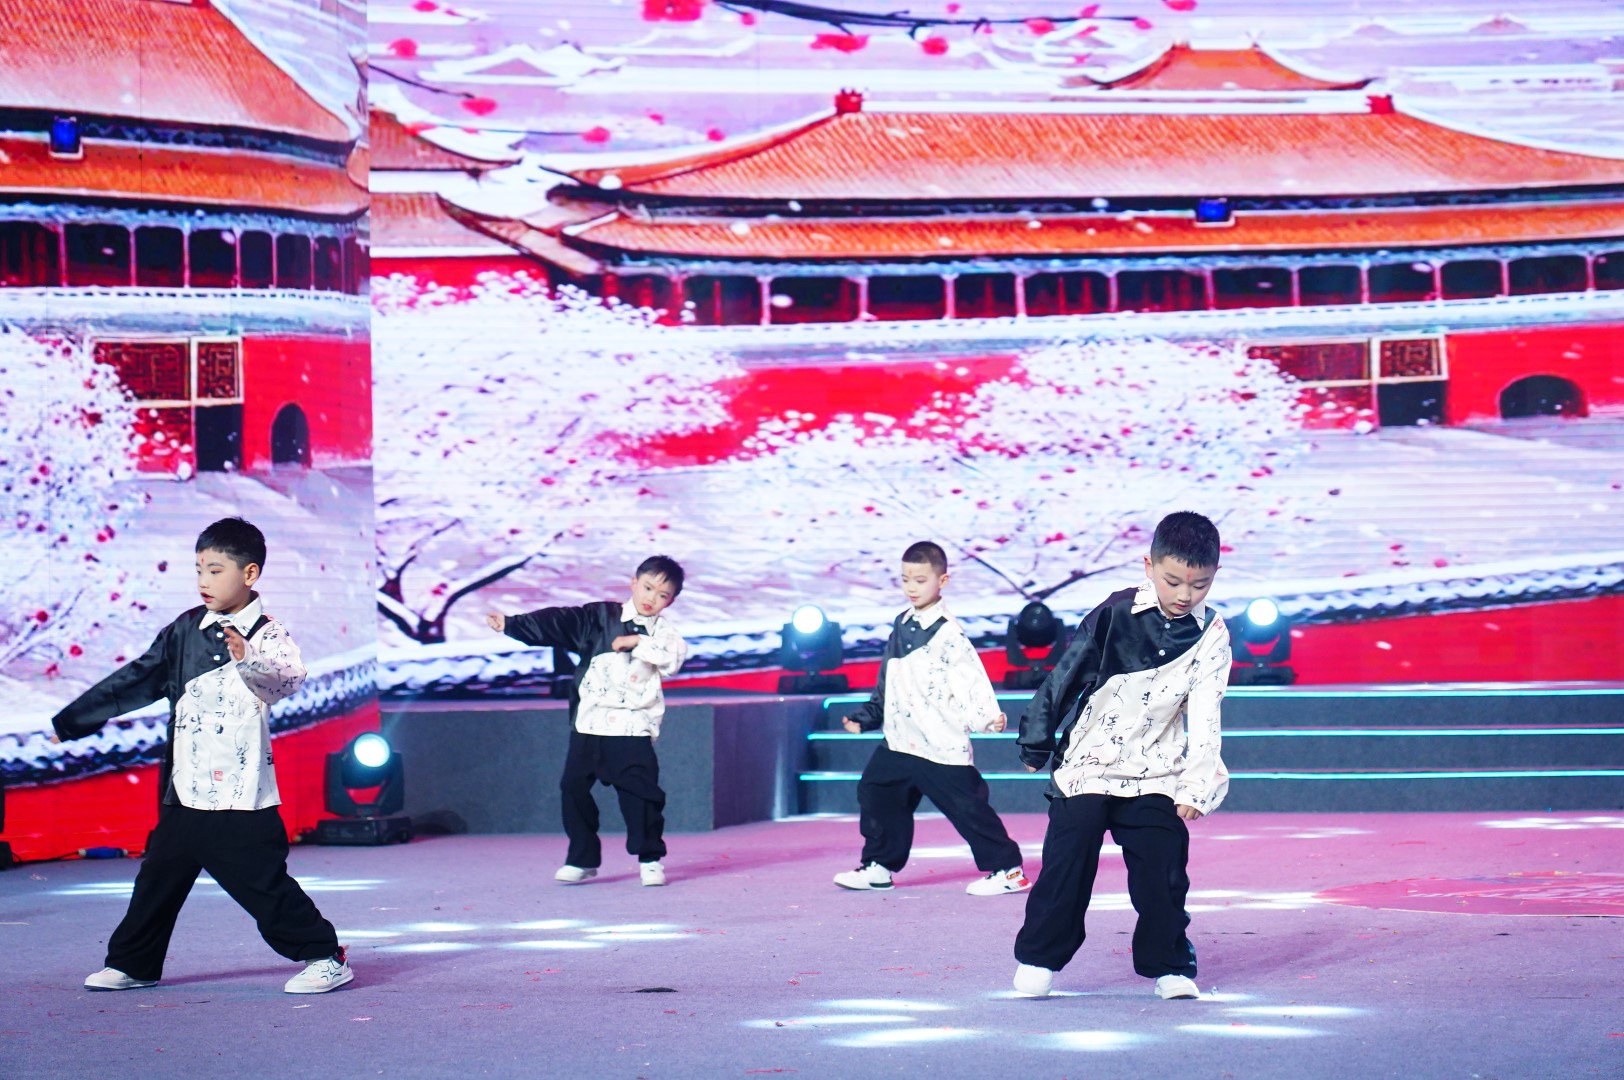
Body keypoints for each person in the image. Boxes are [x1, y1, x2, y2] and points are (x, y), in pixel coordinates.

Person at [51, 517, 352, 994]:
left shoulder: (268, 633)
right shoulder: (185, 629)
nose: (203, 581)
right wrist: (71, 721)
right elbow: (136, 679)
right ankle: (134, 964)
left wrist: (246, 656)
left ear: (249, 574)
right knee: (158, 879)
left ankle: (324, 956)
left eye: (215, 570)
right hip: (184, 785)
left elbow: (286, 680)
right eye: (198, 570)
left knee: (261, 882)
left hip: (239, 789)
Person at [1011, 511, 1232, 1001]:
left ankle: (1169, 965)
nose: (1185, 595)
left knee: (1163, 868)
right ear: (1148, 565)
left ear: (1215, 575)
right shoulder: (1114, 612)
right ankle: (1040, 958)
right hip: (1089, 764)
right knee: (1068, 861)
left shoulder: (1212, 634)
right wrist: (1036, 738)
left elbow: (1206, 713)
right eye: (1173, 581)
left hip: (1156, 771)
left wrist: (1197, 784)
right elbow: (1067, 676)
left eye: (1199, 585)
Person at [834, 541, 1029, 896]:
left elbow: (969, 677)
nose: (911, 587)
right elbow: (890, 677)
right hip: (900, 737)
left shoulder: (948, 632)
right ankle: (879, 867)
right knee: (877, 791)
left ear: (942, 581)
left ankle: (1008, 870)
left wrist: (986, 717)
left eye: (920, 580)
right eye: (905, 579)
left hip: (939, 740)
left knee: (966, 807)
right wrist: (869, 715)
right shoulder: (902, 623)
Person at [487, 556, 688, 886]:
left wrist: (638, 642)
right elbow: (559, 621)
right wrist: (512, 624)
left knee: (640, 794)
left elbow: (673, 660)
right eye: (648, 587)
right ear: (634, 583)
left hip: (631, 725)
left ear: (671, 601)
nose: (651, 598)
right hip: (590, 722)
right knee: (573, 788)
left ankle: (650, 859)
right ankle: (582, 858)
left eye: (662, 594)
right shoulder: (599, 617)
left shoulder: (664, 634)